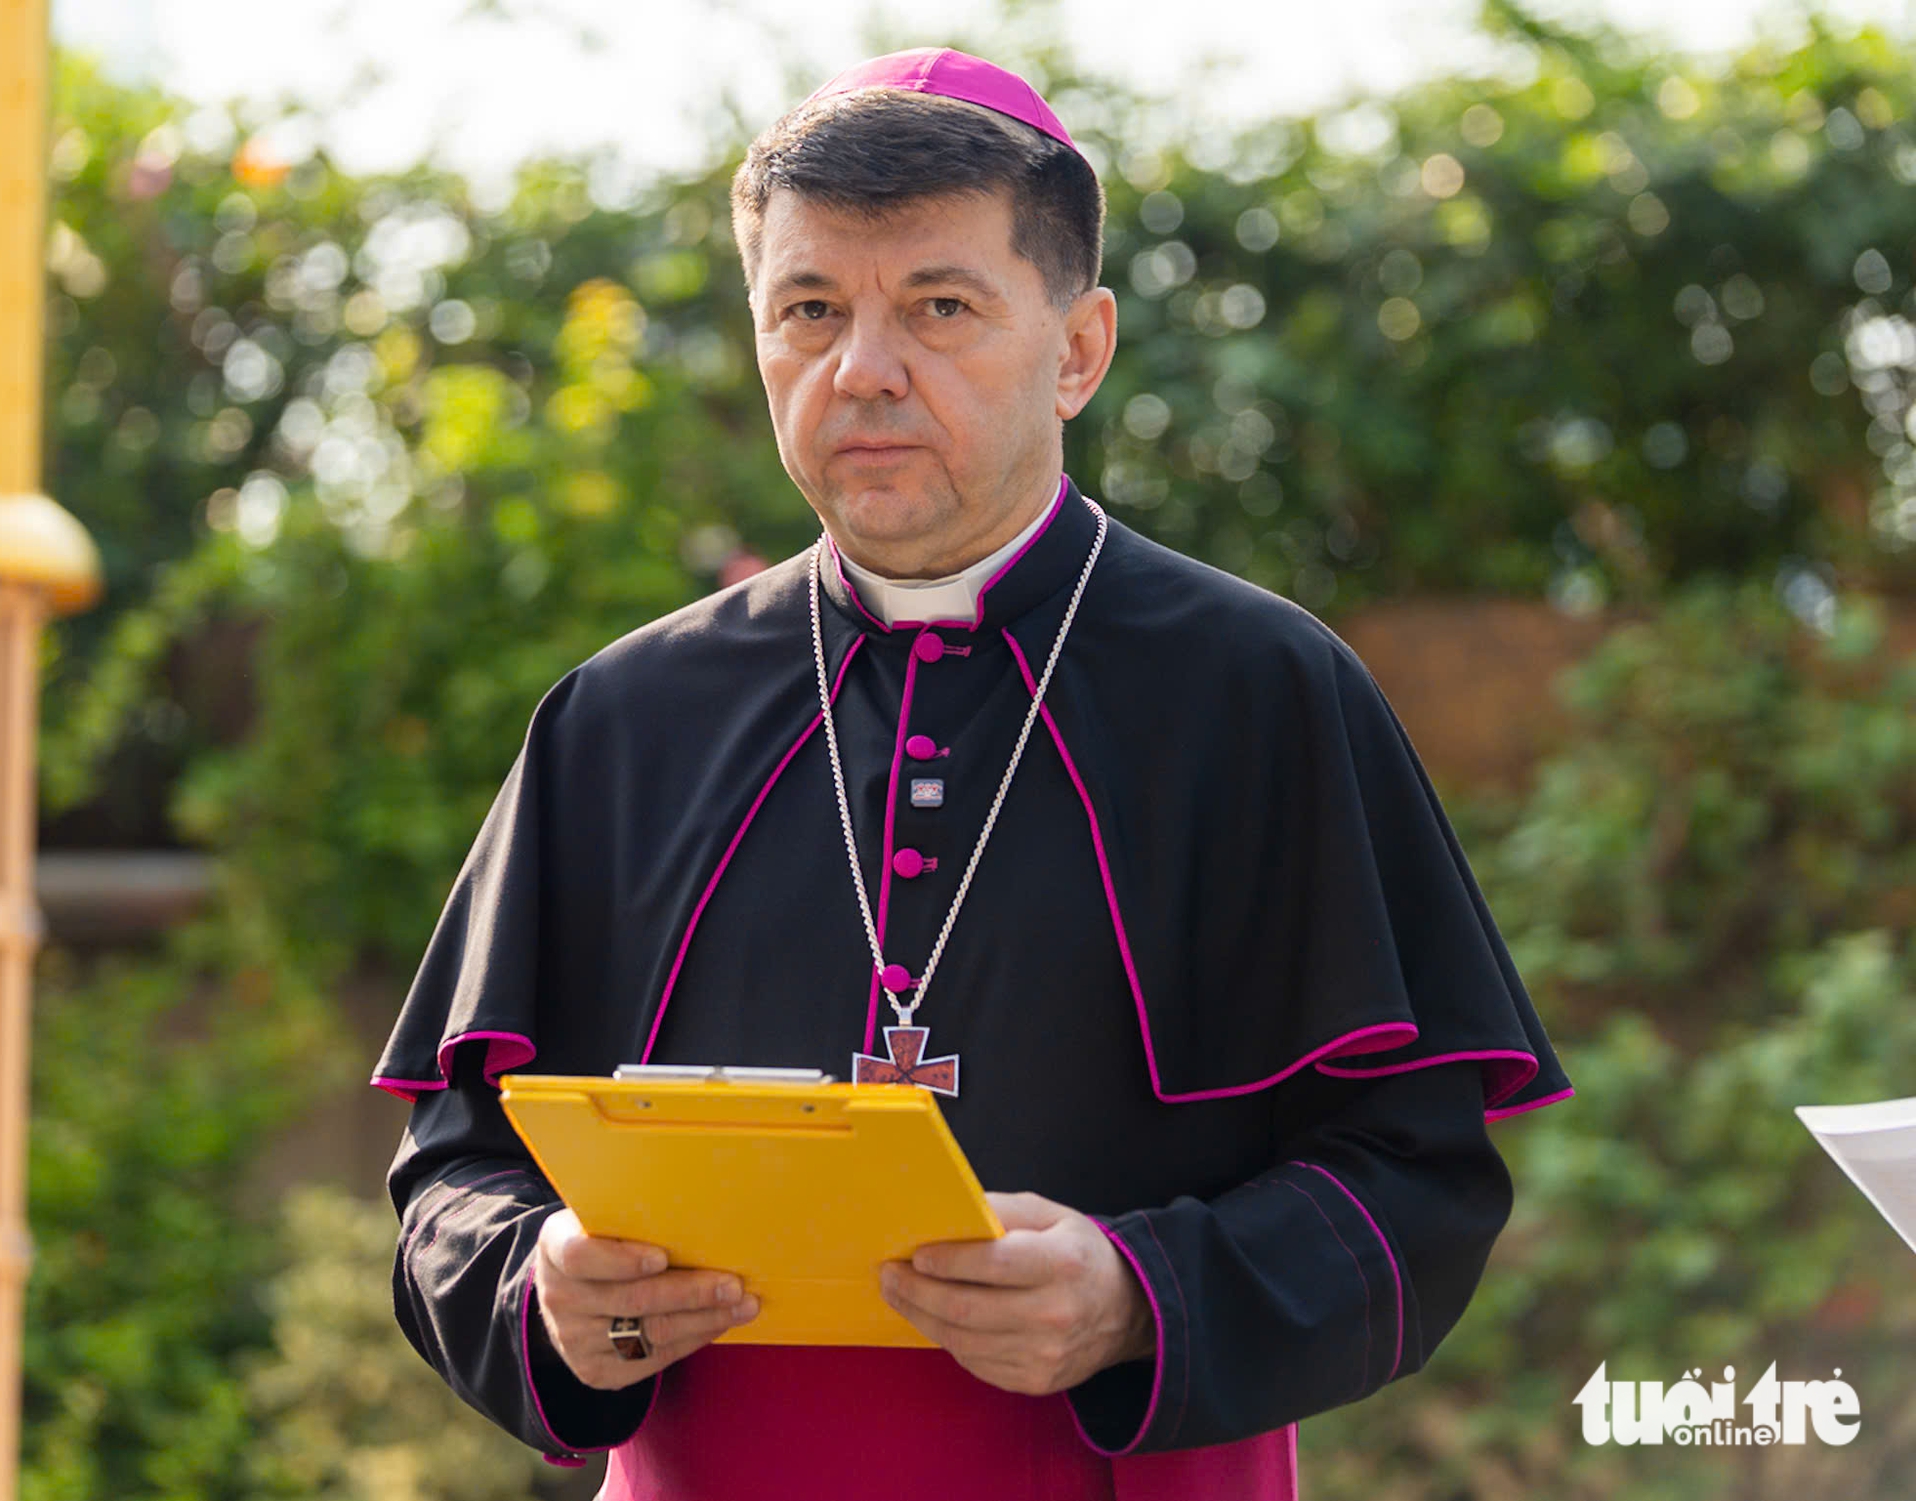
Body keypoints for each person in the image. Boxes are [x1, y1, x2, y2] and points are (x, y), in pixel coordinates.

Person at [372, 46, 1573, 1501]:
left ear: (1078, 348)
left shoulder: (1261, 693)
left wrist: (1144, 1293)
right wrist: (543, 1287)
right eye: (809, 310)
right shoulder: (621, 717)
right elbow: (453, 1178)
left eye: (939, 307)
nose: (862, 368)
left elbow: (1420, 1179)